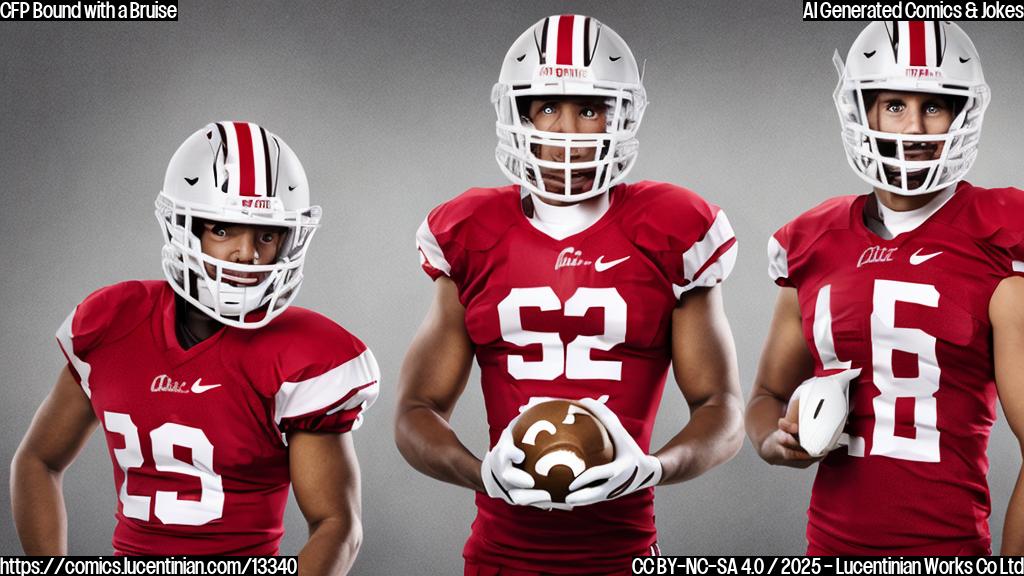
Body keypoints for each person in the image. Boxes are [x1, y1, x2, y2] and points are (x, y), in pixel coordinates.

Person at [397, 15, 743, 574]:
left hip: (622, 555)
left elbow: (721, 409)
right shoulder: (471, 232)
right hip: (498, 555)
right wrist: (479, 471)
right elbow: (416, 410)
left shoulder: (671, 227)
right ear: (519, 115)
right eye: (548, 108)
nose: (567, 131)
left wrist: (653, 467)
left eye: (588, 109)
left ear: (620, 116)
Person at [11, 122, 380, 571]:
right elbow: (38, 459)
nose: (249, 254)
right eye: (224, 230)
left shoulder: (302, 356)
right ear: (184, 230)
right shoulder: (112, 322)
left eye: (266, 235)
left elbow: (338, 525)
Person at [746, 21, 1024, 555]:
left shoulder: (998, 238)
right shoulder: (811, 241)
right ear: (861, 112)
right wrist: (773, 441)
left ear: (962, 115)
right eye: (895, 104)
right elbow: (766, 397)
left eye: (935, 106)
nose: (914, 127)